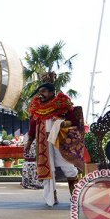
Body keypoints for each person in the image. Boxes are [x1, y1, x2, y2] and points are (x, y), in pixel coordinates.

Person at [24, 73, 84, 207]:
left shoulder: (61, 103)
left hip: (59, 140)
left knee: (68, 167)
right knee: (46, 171)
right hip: (42, 142)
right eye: (40, 91)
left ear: (52, 92)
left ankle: (76, 196)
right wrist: (29, 142)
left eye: (44, 91)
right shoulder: (36, 107)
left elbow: (74, 122)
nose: (41, 94)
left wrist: (62, 123)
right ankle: (51, 199)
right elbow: (33, 127)